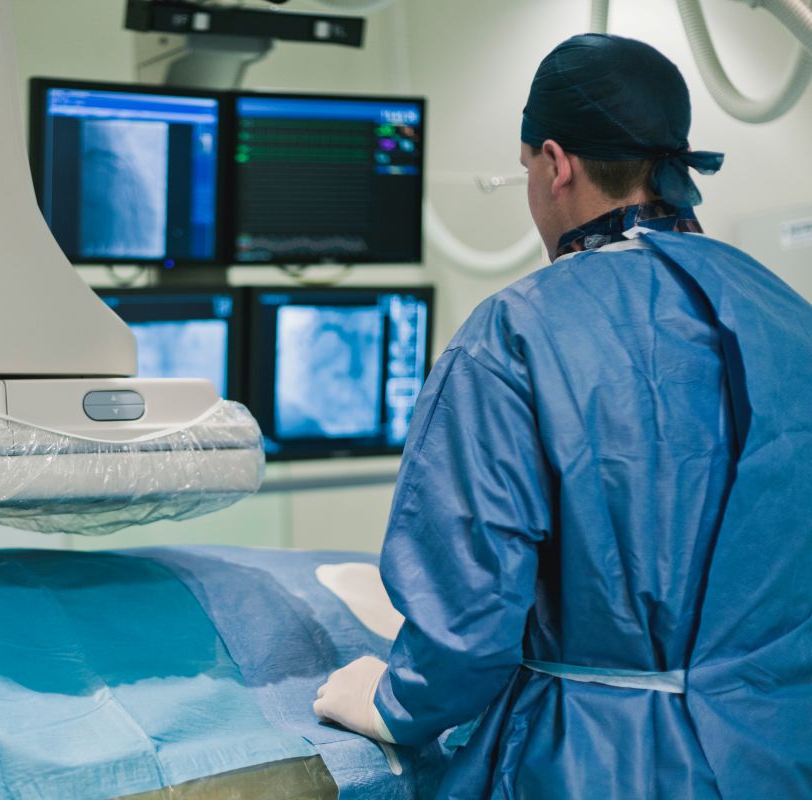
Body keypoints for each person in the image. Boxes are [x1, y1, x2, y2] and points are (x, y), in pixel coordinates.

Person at [313, 33, 812, 799]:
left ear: (556, 163)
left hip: (594, 766)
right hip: (778, 754)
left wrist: (391, 702)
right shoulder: (788, 317)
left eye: (526, 170)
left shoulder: (516, 332)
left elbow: (468, 622)